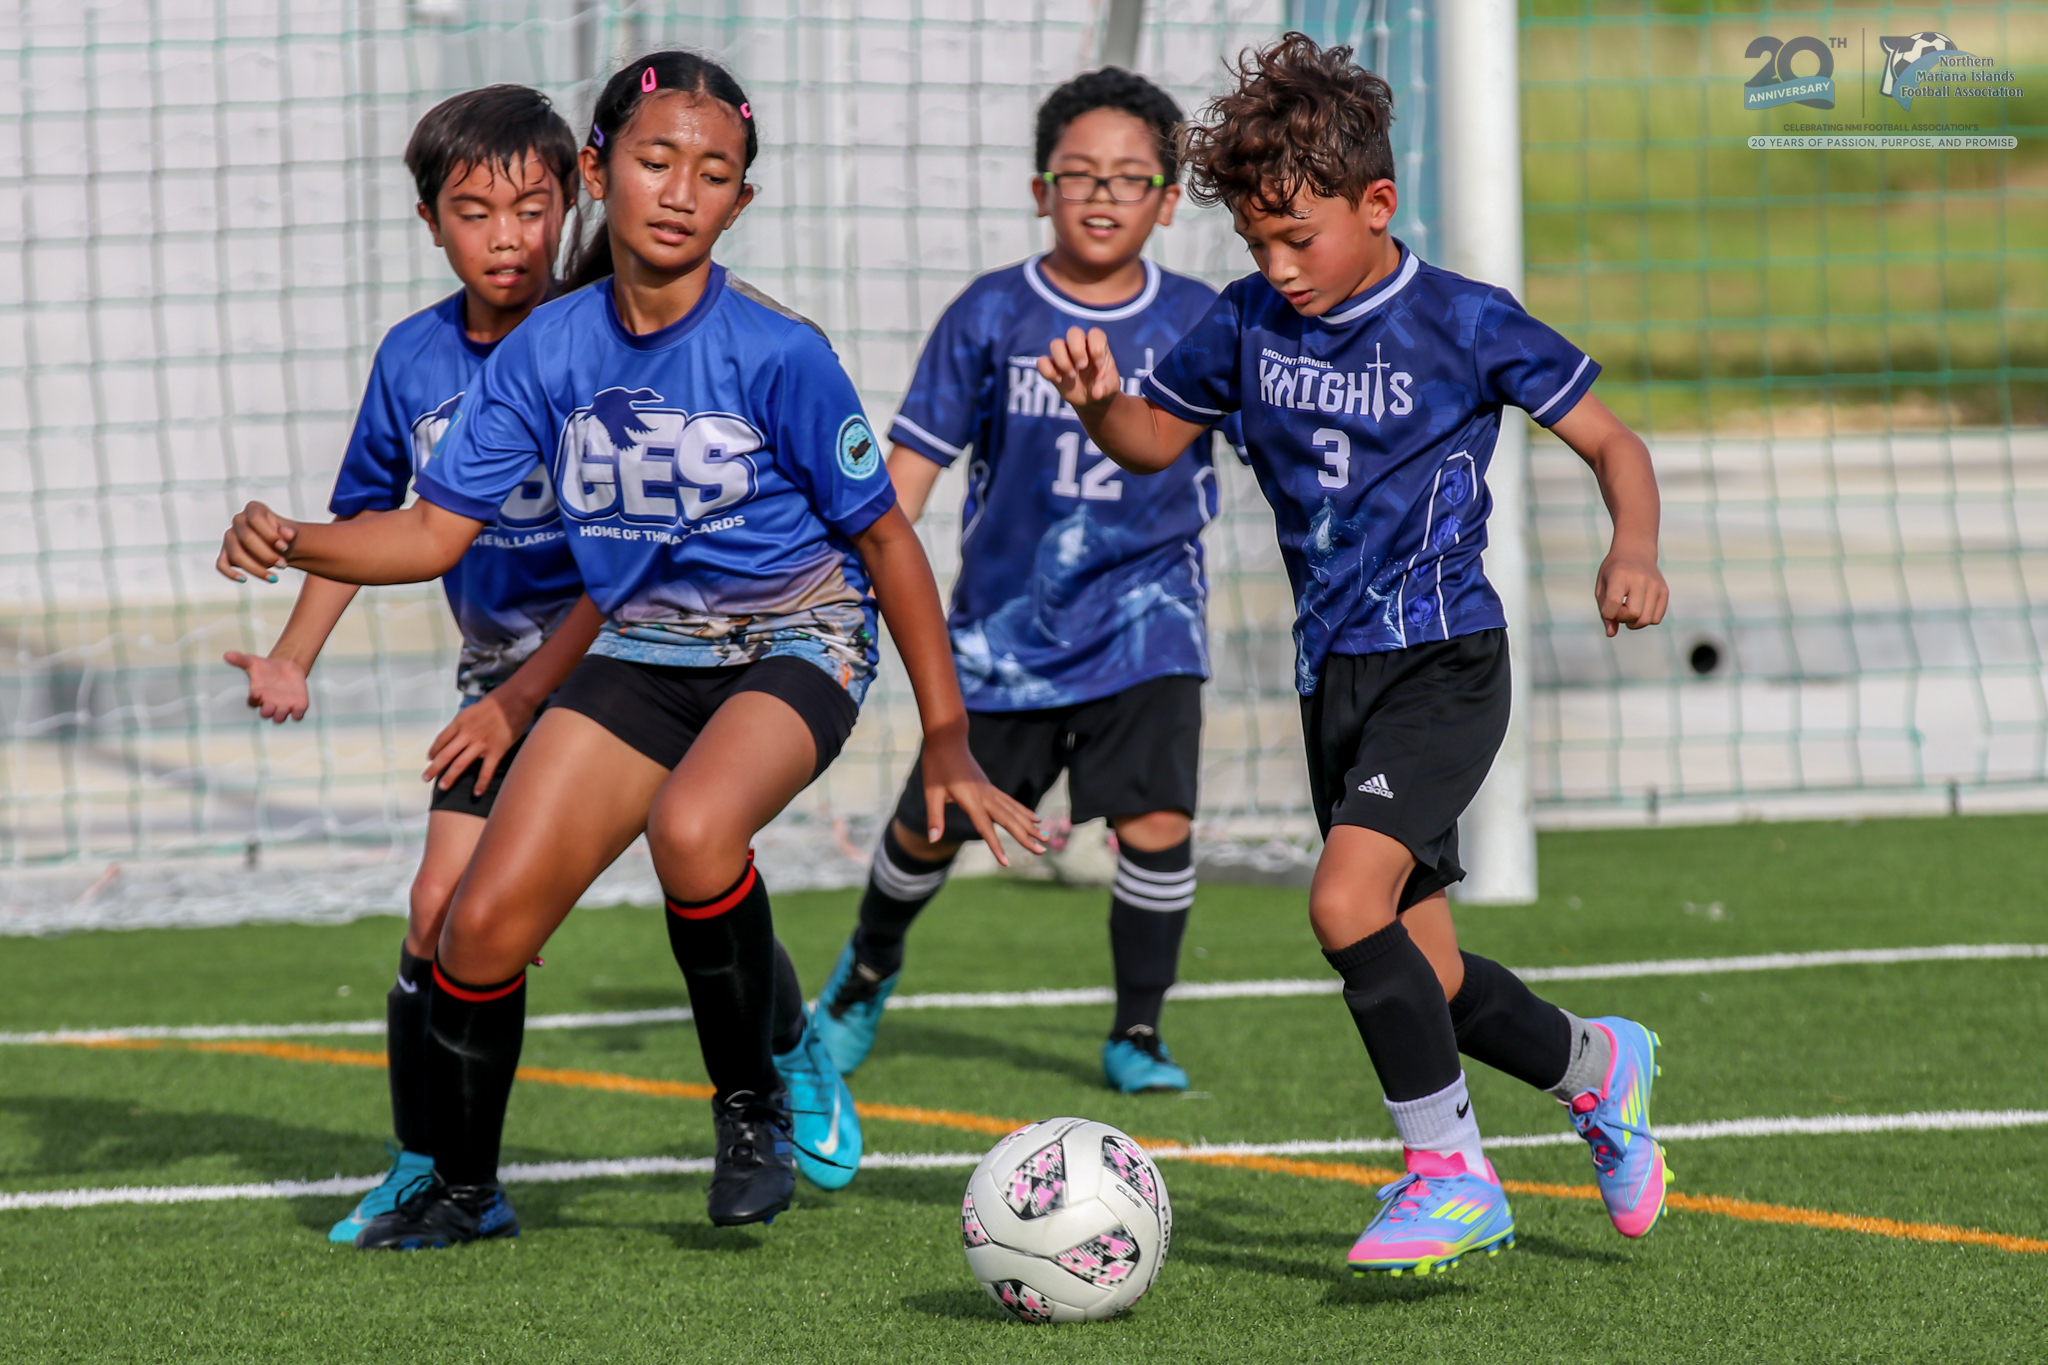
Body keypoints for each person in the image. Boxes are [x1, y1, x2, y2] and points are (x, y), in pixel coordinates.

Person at [217, 50, 1042, 1247]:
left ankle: (751, 1104)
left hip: (793, 637)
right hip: (642, 646)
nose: (678, 189)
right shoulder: (546, 350)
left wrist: (950, 737)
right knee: (476, 923)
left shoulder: (776, 352)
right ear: (601, 171)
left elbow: (891, 547)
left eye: (713, 173)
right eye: (655, 160)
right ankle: (459, 1186)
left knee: (694, 828)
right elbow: (431, 530)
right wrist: (295, 539)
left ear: (739, 203)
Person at [1036, 33, 1672, 1276]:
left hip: (1443, 660)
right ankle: (1599, 1069)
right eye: (1256, 245)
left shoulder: (1461, 321)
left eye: (1299, 238)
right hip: (1336, 679)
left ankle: (1449, 1176)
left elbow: (1614, 444)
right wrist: (1095, 401)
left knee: (1338, 904)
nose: (1279, 267)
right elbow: (1150, 446)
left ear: (1375, 205)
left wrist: (1629, 549)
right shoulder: (1242, 325)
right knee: (1421, 971)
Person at [220, 85, 604, 1244]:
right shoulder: (413, 357)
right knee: (438, 909)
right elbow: (365, 523)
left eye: (531, 209)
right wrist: (293, 656)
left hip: (627, 659)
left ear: (572, 205)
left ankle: (777, 1049)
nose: (507, 236)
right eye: (474, 211)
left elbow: (637, 552)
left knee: (697, 861)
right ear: (430, 221)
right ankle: (431, 1164)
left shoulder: (605, 338)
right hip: (496, 676)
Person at [811, 68, 1235, 1096]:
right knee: (930, 825)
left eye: (1129, 178)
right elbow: (906, 475)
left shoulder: (1201, 319)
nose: (1101, 195)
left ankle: (1136, 1032)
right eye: (1078, 174)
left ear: (1168, 201)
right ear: (1038, 188)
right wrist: (834, 585)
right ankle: (864, 973)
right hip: (1004, 634)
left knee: (1154, 824)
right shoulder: (991, 314)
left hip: (1149, 619)